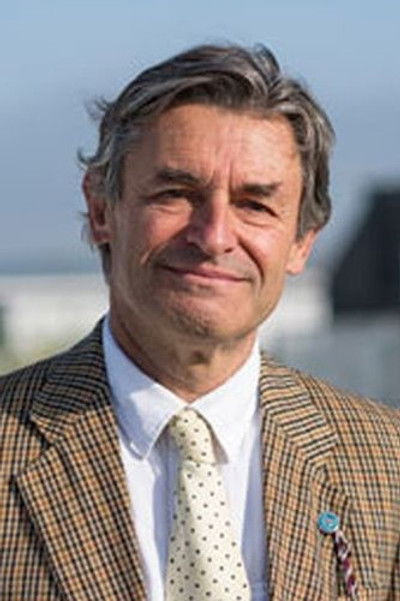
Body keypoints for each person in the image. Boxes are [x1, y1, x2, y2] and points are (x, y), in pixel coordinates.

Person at [1, 44, 399, 601]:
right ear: (101, 210)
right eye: (176, 194)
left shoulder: (385, 463)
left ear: (303, 240)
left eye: (255, 205)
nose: (213, 237)